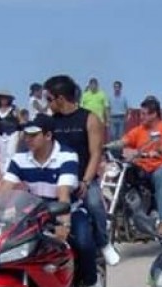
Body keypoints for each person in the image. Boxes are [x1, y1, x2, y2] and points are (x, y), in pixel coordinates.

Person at [0, 113, 105, 287]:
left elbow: (63, 193)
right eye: (26, 135)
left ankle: (92, 283)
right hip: (34, 213)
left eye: (33, 135)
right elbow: (5, 189)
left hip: (68, 210)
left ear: (48, 136)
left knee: (83, 243)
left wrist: (64, 224)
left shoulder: (67, 156)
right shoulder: (19, 158)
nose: (27, 139)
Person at [44, 74, 120, 266]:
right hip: (58, 180)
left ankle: (103, 243)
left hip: (83, 178)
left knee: (94, 204)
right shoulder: (51, 122)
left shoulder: (89, 119)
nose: (47, 103)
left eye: (49, 99)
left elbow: (95, 153)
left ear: (60, 99)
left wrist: (86, 181)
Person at [118, 96, 162, 238]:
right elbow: (125, 140)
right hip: (143, 168)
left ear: (154, 114)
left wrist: (156, 151)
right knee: (122, 174)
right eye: (140, 113)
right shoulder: (139, 130)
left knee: (159, 175)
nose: (141, 117)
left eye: (144, 114)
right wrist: (110, 146)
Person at [0, 90, 20, 172]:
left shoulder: (14, 109)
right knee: (1, 155)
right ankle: (3, 173)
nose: (3, 100)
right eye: (2, 98)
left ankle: (9, 172)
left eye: (5, 98)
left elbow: (21, 121)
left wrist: (21, 132)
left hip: (13, 134)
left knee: (11, 153)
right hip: (0, 134)